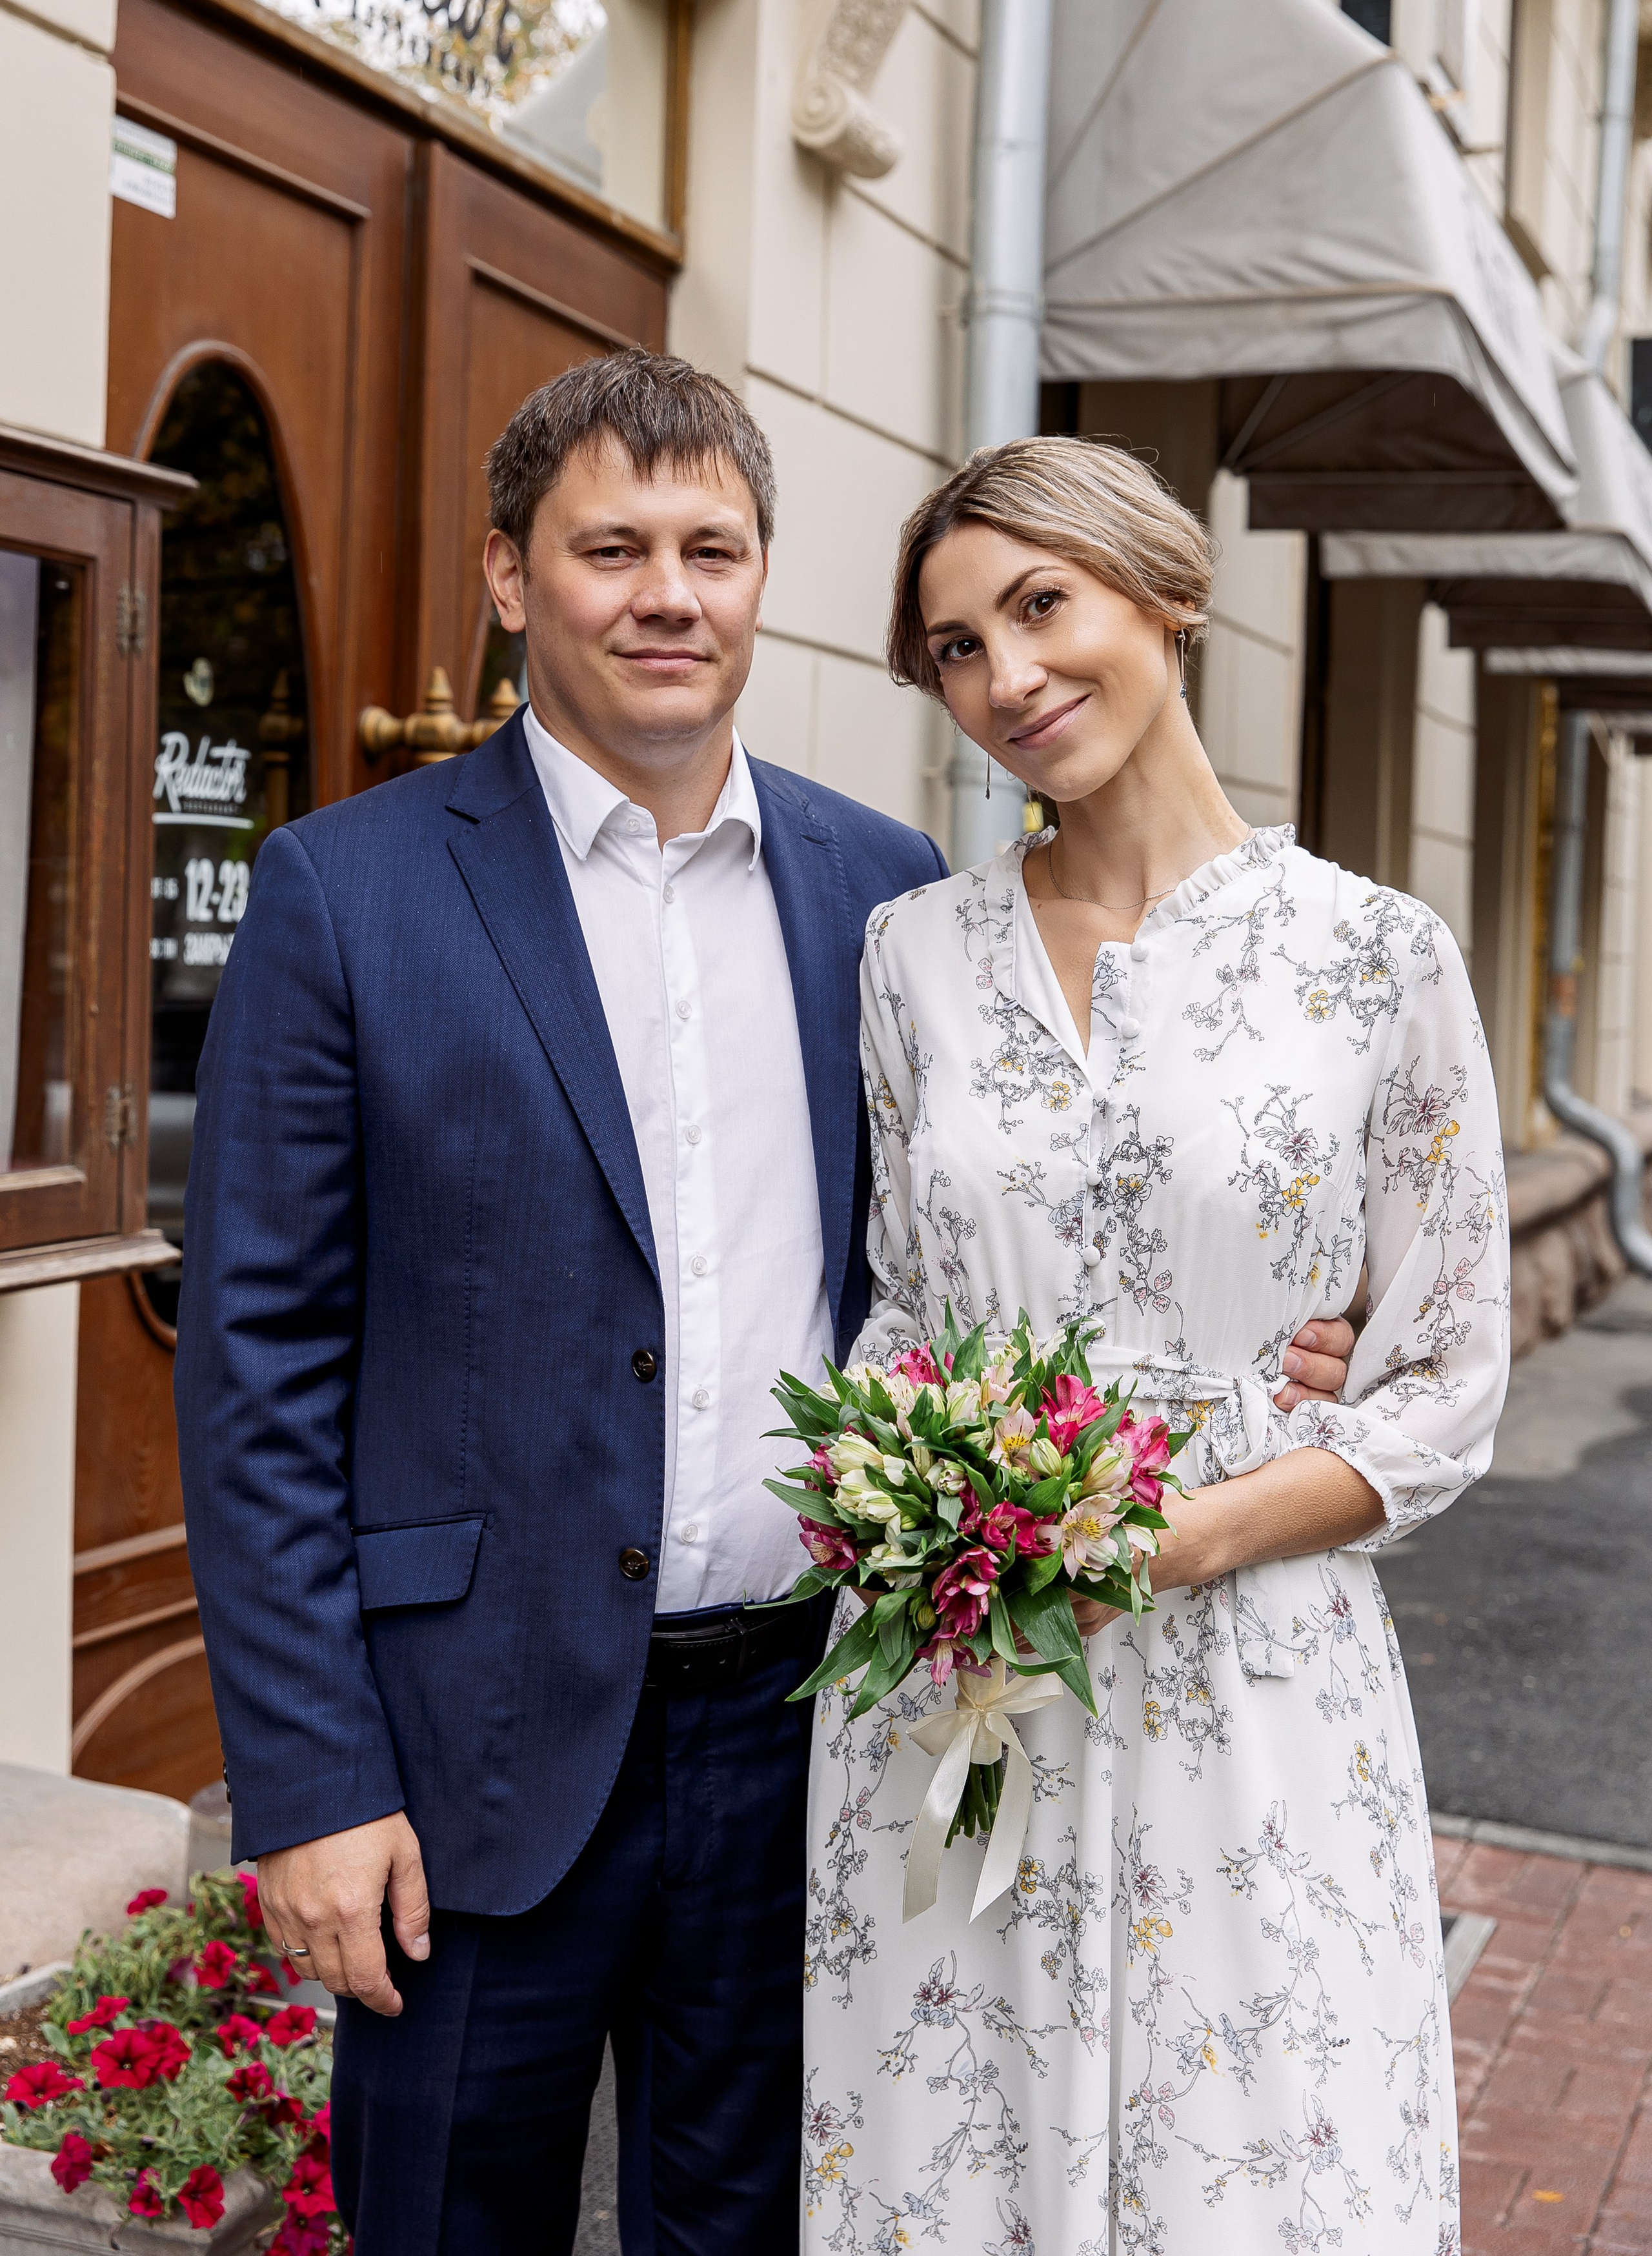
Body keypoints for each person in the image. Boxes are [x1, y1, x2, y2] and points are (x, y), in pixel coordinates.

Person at [174, 355, 1353, 2256]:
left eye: (710, 549)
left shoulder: (883, 897)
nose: (668, 593)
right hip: (473, 1752)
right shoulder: (348, 893)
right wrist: (311, 1785)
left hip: (813, 1728)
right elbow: (256, 1370)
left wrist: (1316, 1311)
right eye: (611, 548)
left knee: (753, 2229)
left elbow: (1004, 1245)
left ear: (762, 576)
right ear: (509, 577)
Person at [802, 437, 1509, 2256]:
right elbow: (901, 1299)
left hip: (1257, 1685)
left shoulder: (1377, 958)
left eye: (1041, 606)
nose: (1007, 680)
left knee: (1265, 2175)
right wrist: (907, 1498)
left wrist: (1177, 1540)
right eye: (956, 649)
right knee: (952, 2170)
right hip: (953, 1689)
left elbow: (1442, 1382)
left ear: (1164, 597)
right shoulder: (908, 958)